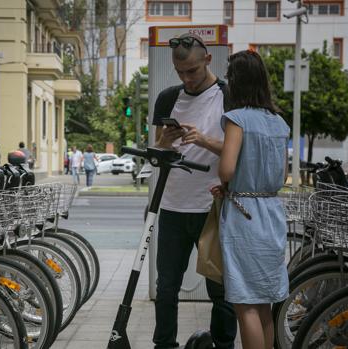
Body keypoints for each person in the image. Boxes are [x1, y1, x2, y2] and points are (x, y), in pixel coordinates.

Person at [152, 33, 237, 349]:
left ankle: (223, 344)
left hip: (213, 207)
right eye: (180, 73)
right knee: (166, 287)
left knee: (221, 289)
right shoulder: (168, 98)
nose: (186, 79)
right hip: (174, 204)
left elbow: (238, 152)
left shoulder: (229, 96)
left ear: (208, 60)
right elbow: (158, 154)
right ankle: (164, 345)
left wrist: (203, 140)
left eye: (193, 71)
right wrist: (163, 143)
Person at [211, 50, 290, 349]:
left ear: (236, 83)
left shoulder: (236, 119)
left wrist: (229, 185)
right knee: (265, 304)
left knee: (245, 305)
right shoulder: (279, 122)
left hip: (243, 217)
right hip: (271, 213)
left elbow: (227, 168)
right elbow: (282, 177)